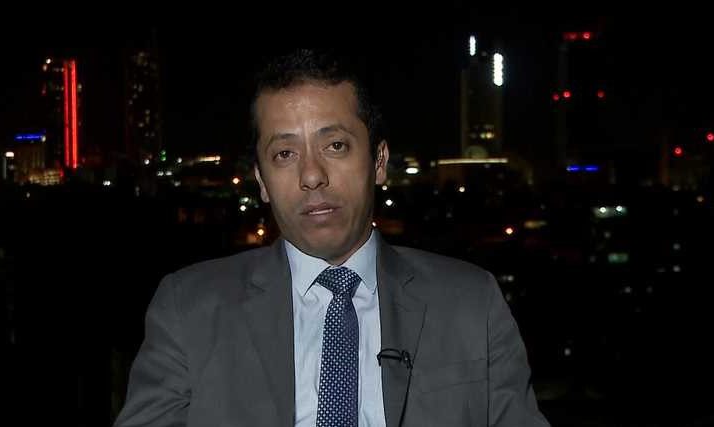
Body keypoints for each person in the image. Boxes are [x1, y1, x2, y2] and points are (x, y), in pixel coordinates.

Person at [114, 49, 550, 427]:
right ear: (261, 180)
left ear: (379, 161)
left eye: (335, 146)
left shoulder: (472, 302)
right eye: (285, 153)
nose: (311, 175)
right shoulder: (188, 308)